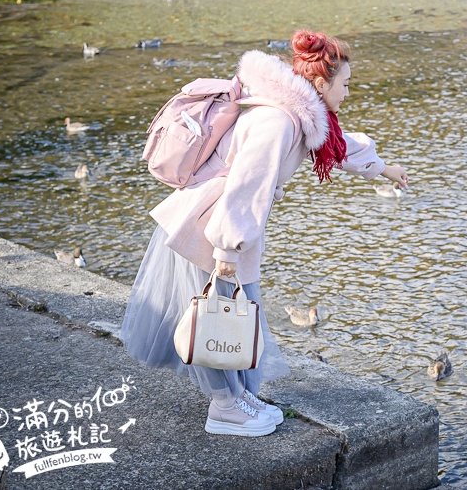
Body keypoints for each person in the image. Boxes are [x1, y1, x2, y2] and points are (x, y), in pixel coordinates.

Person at [120, 30, 409, 437]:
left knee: (234, 312)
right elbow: (246, 186)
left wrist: (383, 169)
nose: (348, 92)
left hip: (223, 224)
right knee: (217, 316)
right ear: (322, 83)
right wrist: (227, 248)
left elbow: (337, 146)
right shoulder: (279, 121)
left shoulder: (298, 113)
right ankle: (225, 408)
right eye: (345, 84)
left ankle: (237, 398)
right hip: (212, 225)